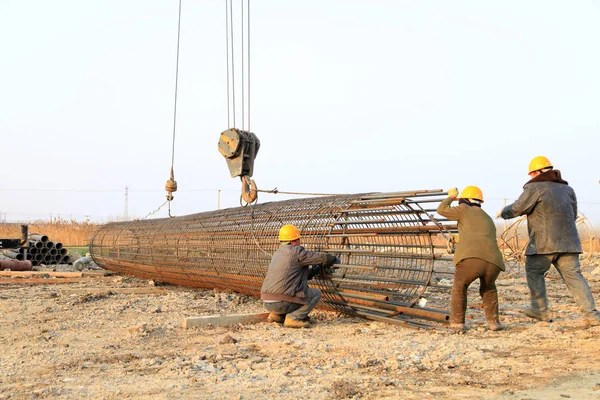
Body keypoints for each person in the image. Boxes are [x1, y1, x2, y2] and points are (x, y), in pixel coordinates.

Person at [497, 156, 600, 326]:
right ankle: (592, 315)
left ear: (537, 172)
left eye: (531, 174)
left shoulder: (534, 187)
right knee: (575, 277)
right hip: (569, 243)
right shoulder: (567, 189)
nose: (530, 177)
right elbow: (572, 216)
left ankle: (540, 310)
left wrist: (503, 212)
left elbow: (517, 208)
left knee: (534, 271)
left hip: (544, 244)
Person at [437, 186, 505, 332]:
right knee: (488, 289)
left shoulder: (464, 209)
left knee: (460, 287)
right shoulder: (486, 216)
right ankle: (494, 323)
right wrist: (460, 238)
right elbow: (480, 236)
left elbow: (441, 210)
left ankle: (457, 324)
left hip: (472, 260)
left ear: (465, 200)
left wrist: (451, 197)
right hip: (494, 262)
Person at [261, 224, 337, 328]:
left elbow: (297, 276)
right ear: (293, 241)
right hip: (281, 303)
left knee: (290, 292)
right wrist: (332, 259)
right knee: (315, 293)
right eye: (298, 239)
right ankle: (293, 318)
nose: (299, 242)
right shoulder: (297, 252)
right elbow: (321, 258)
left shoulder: (278, 253)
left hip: (267, 302)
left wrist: (315, 271)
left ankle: (276, 315)